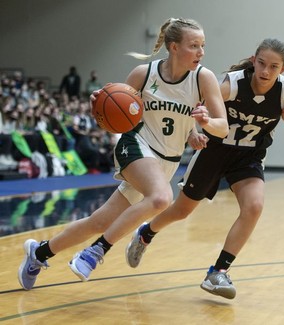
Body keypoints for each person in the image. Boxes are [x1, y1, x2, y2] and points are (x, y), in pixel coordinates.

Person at [18, 17, 228, 290]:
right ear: (173, 47)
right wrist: (100, 106)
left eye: (203, 45)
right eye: (194, 45)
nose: (201, 52)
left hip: (166, 161)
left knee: (100, 221)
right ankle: (95, 252)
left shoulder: (204, 78)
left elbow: (222, 128)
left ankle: (39, 253)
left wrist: (201, 126)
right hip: (135, 145)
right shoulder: (144, 74)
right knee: (162, 198)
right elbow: (117, 114)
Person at [125, 38, 284, 299]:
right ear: (253, 60)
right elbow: (193, 105)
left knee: (254, 207)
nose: (265, 71)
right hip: (214, 151)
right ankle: (146, 232)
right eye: (261, 63)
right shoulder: (232, 84)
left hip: (249, 156)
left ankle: (218, 272)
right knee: (182, 211)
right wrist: (194, 130)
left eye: (273, 67)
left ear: (283, 69)